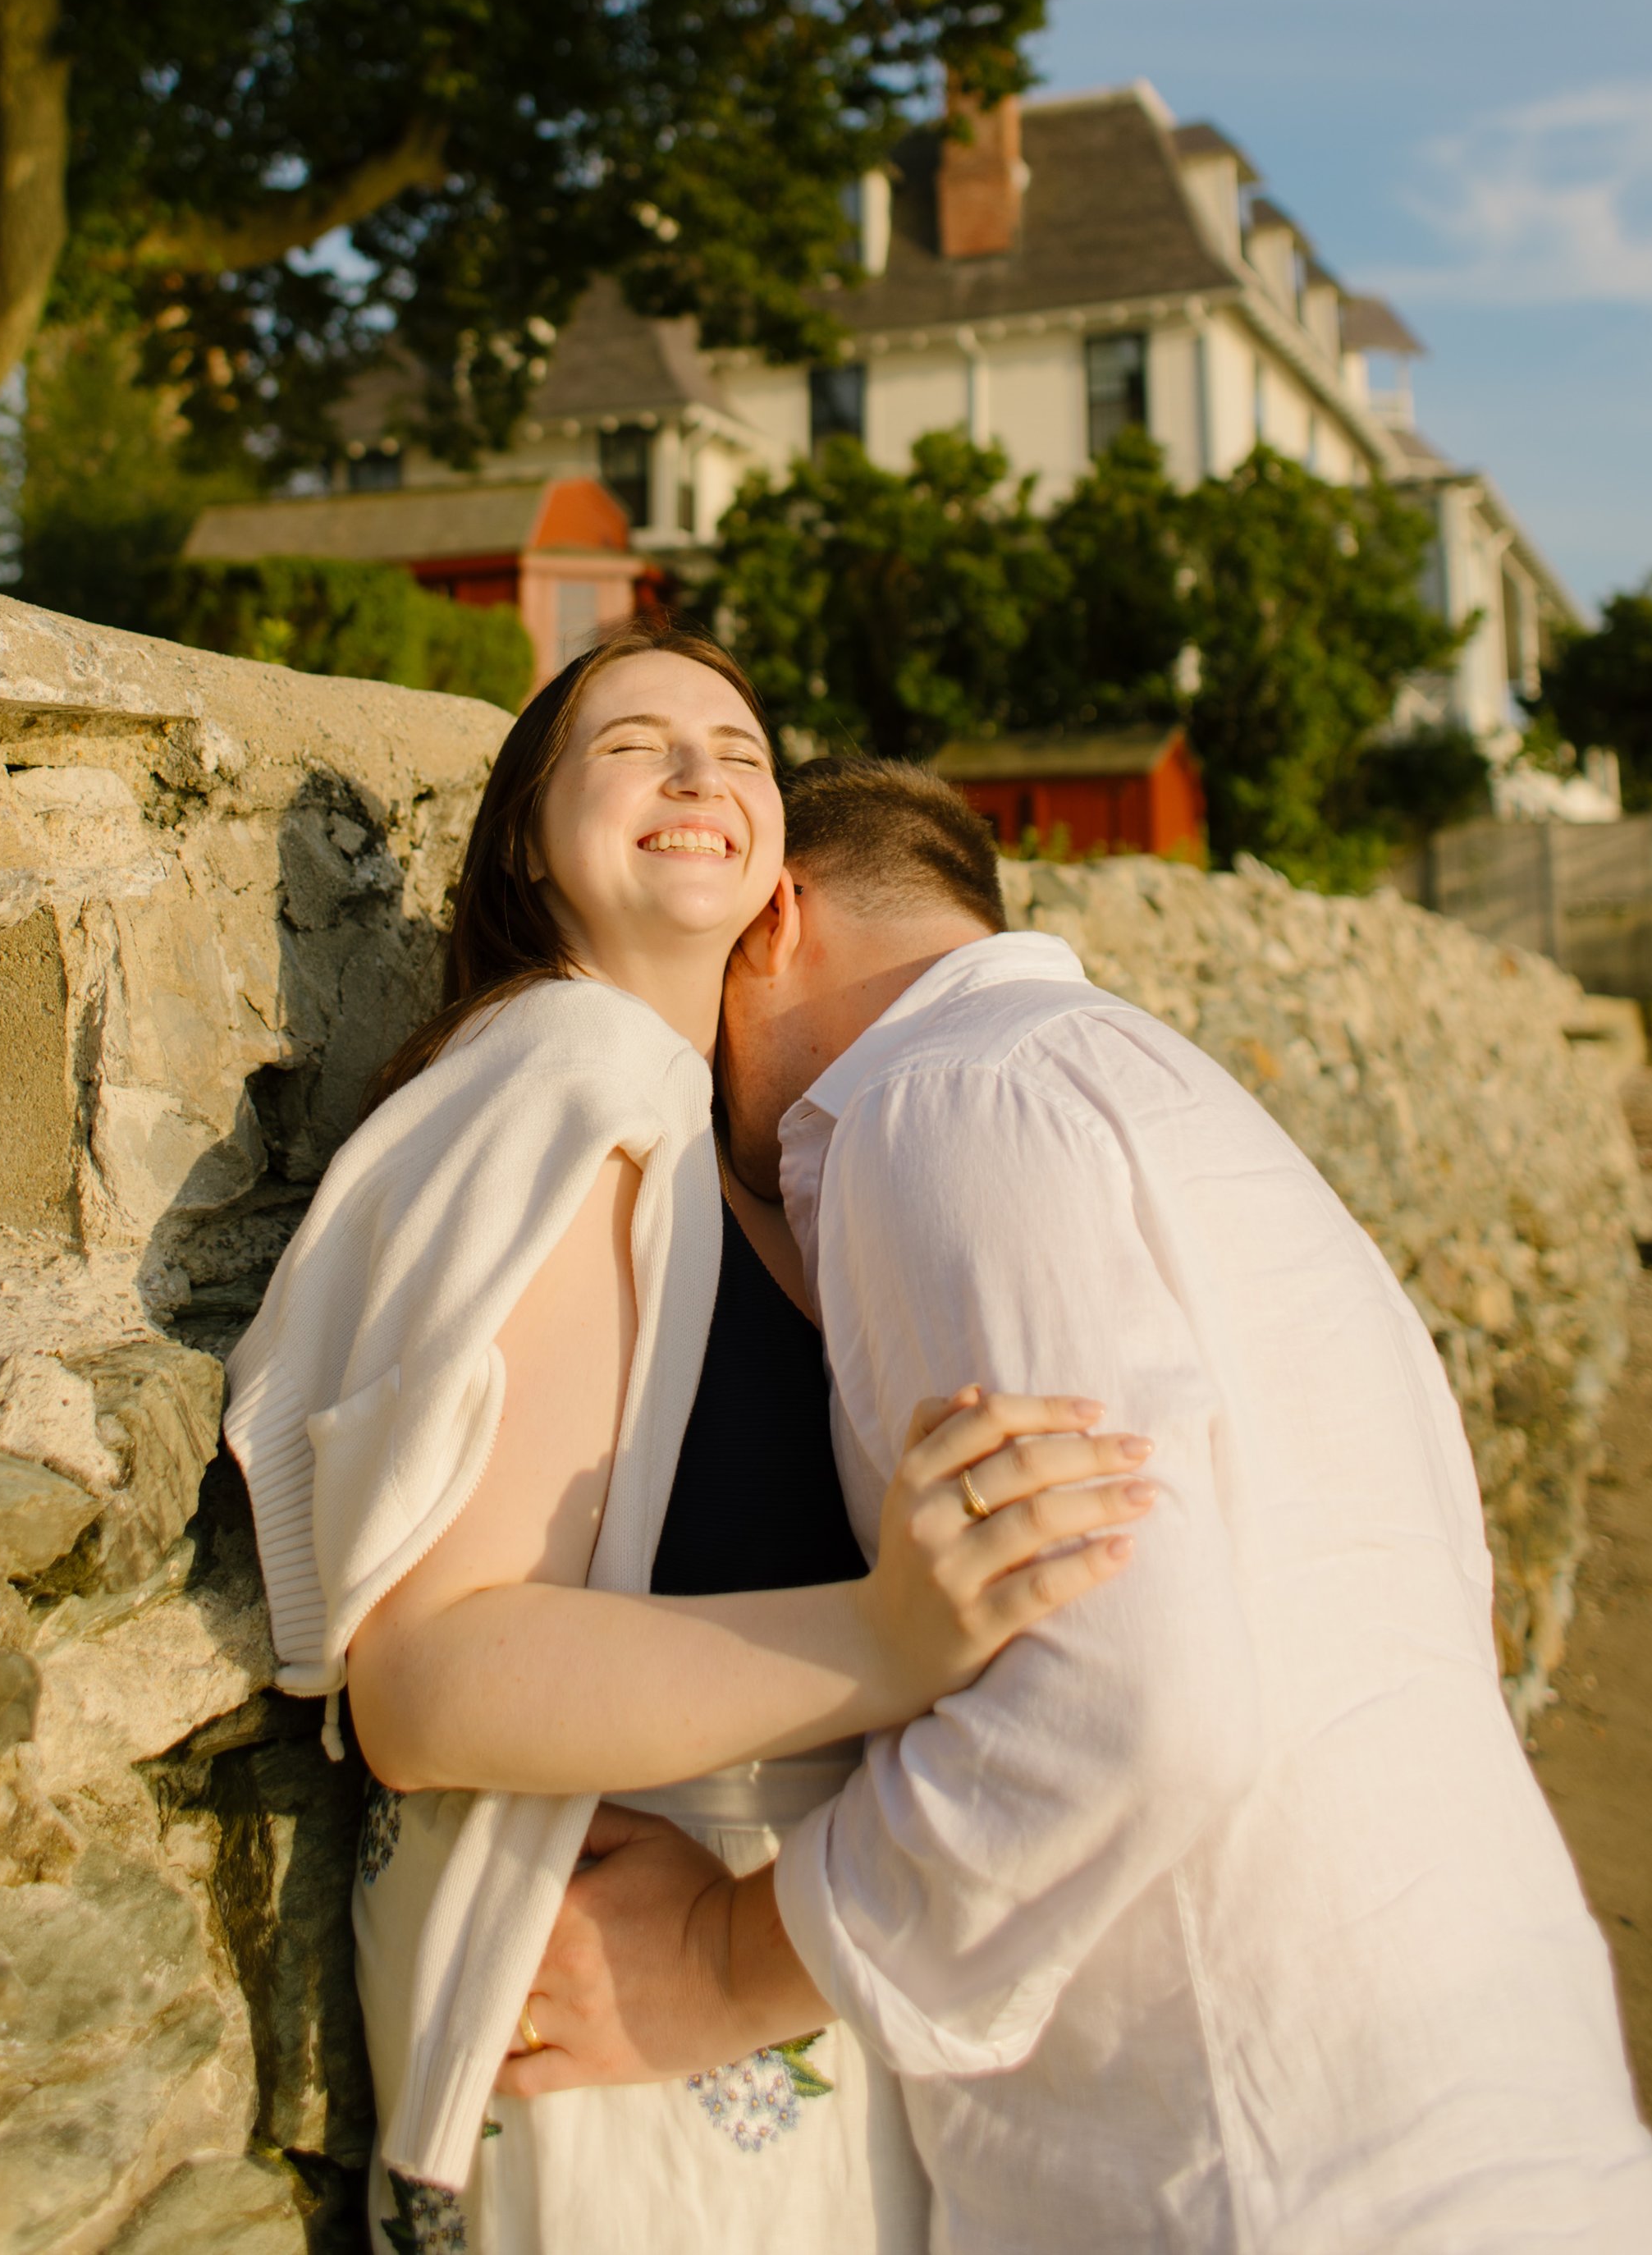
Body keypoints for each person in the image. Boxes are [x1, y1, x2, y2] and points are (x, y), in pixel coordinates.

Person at [497, 754, 1652, 2255]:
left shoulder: (933, 1106)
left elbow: (1130, 1694)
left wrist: (718, 1959)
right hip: (1513, 2124)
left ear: (776, 913)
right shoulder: (1191, 1114)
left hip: (1255, 2176)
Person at [224, 630, 1152, 2255]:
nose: (697, 773)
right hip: (614, 2005)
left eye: (735, 752)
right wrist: (892, 1639)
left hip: (786, 1980)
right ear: (525, 839)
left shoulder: (726, 1159)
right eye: (631, 744)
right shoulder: (564, 1078)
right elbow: (427, 1686)